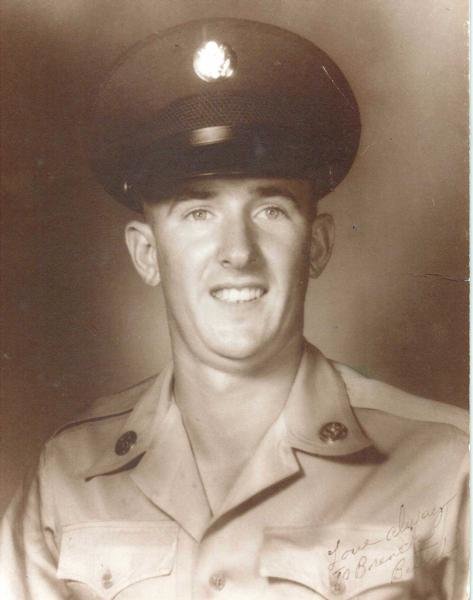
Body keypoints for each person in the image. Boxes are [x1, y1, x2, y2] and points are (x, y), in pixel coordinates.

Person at [0, 18, 468, 600]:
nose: (238, 252)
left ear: (317, 245)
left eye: (271, 210)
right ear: (146, 253)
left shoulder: (450, 464)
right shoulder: (67, 478)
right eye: (199, 213)